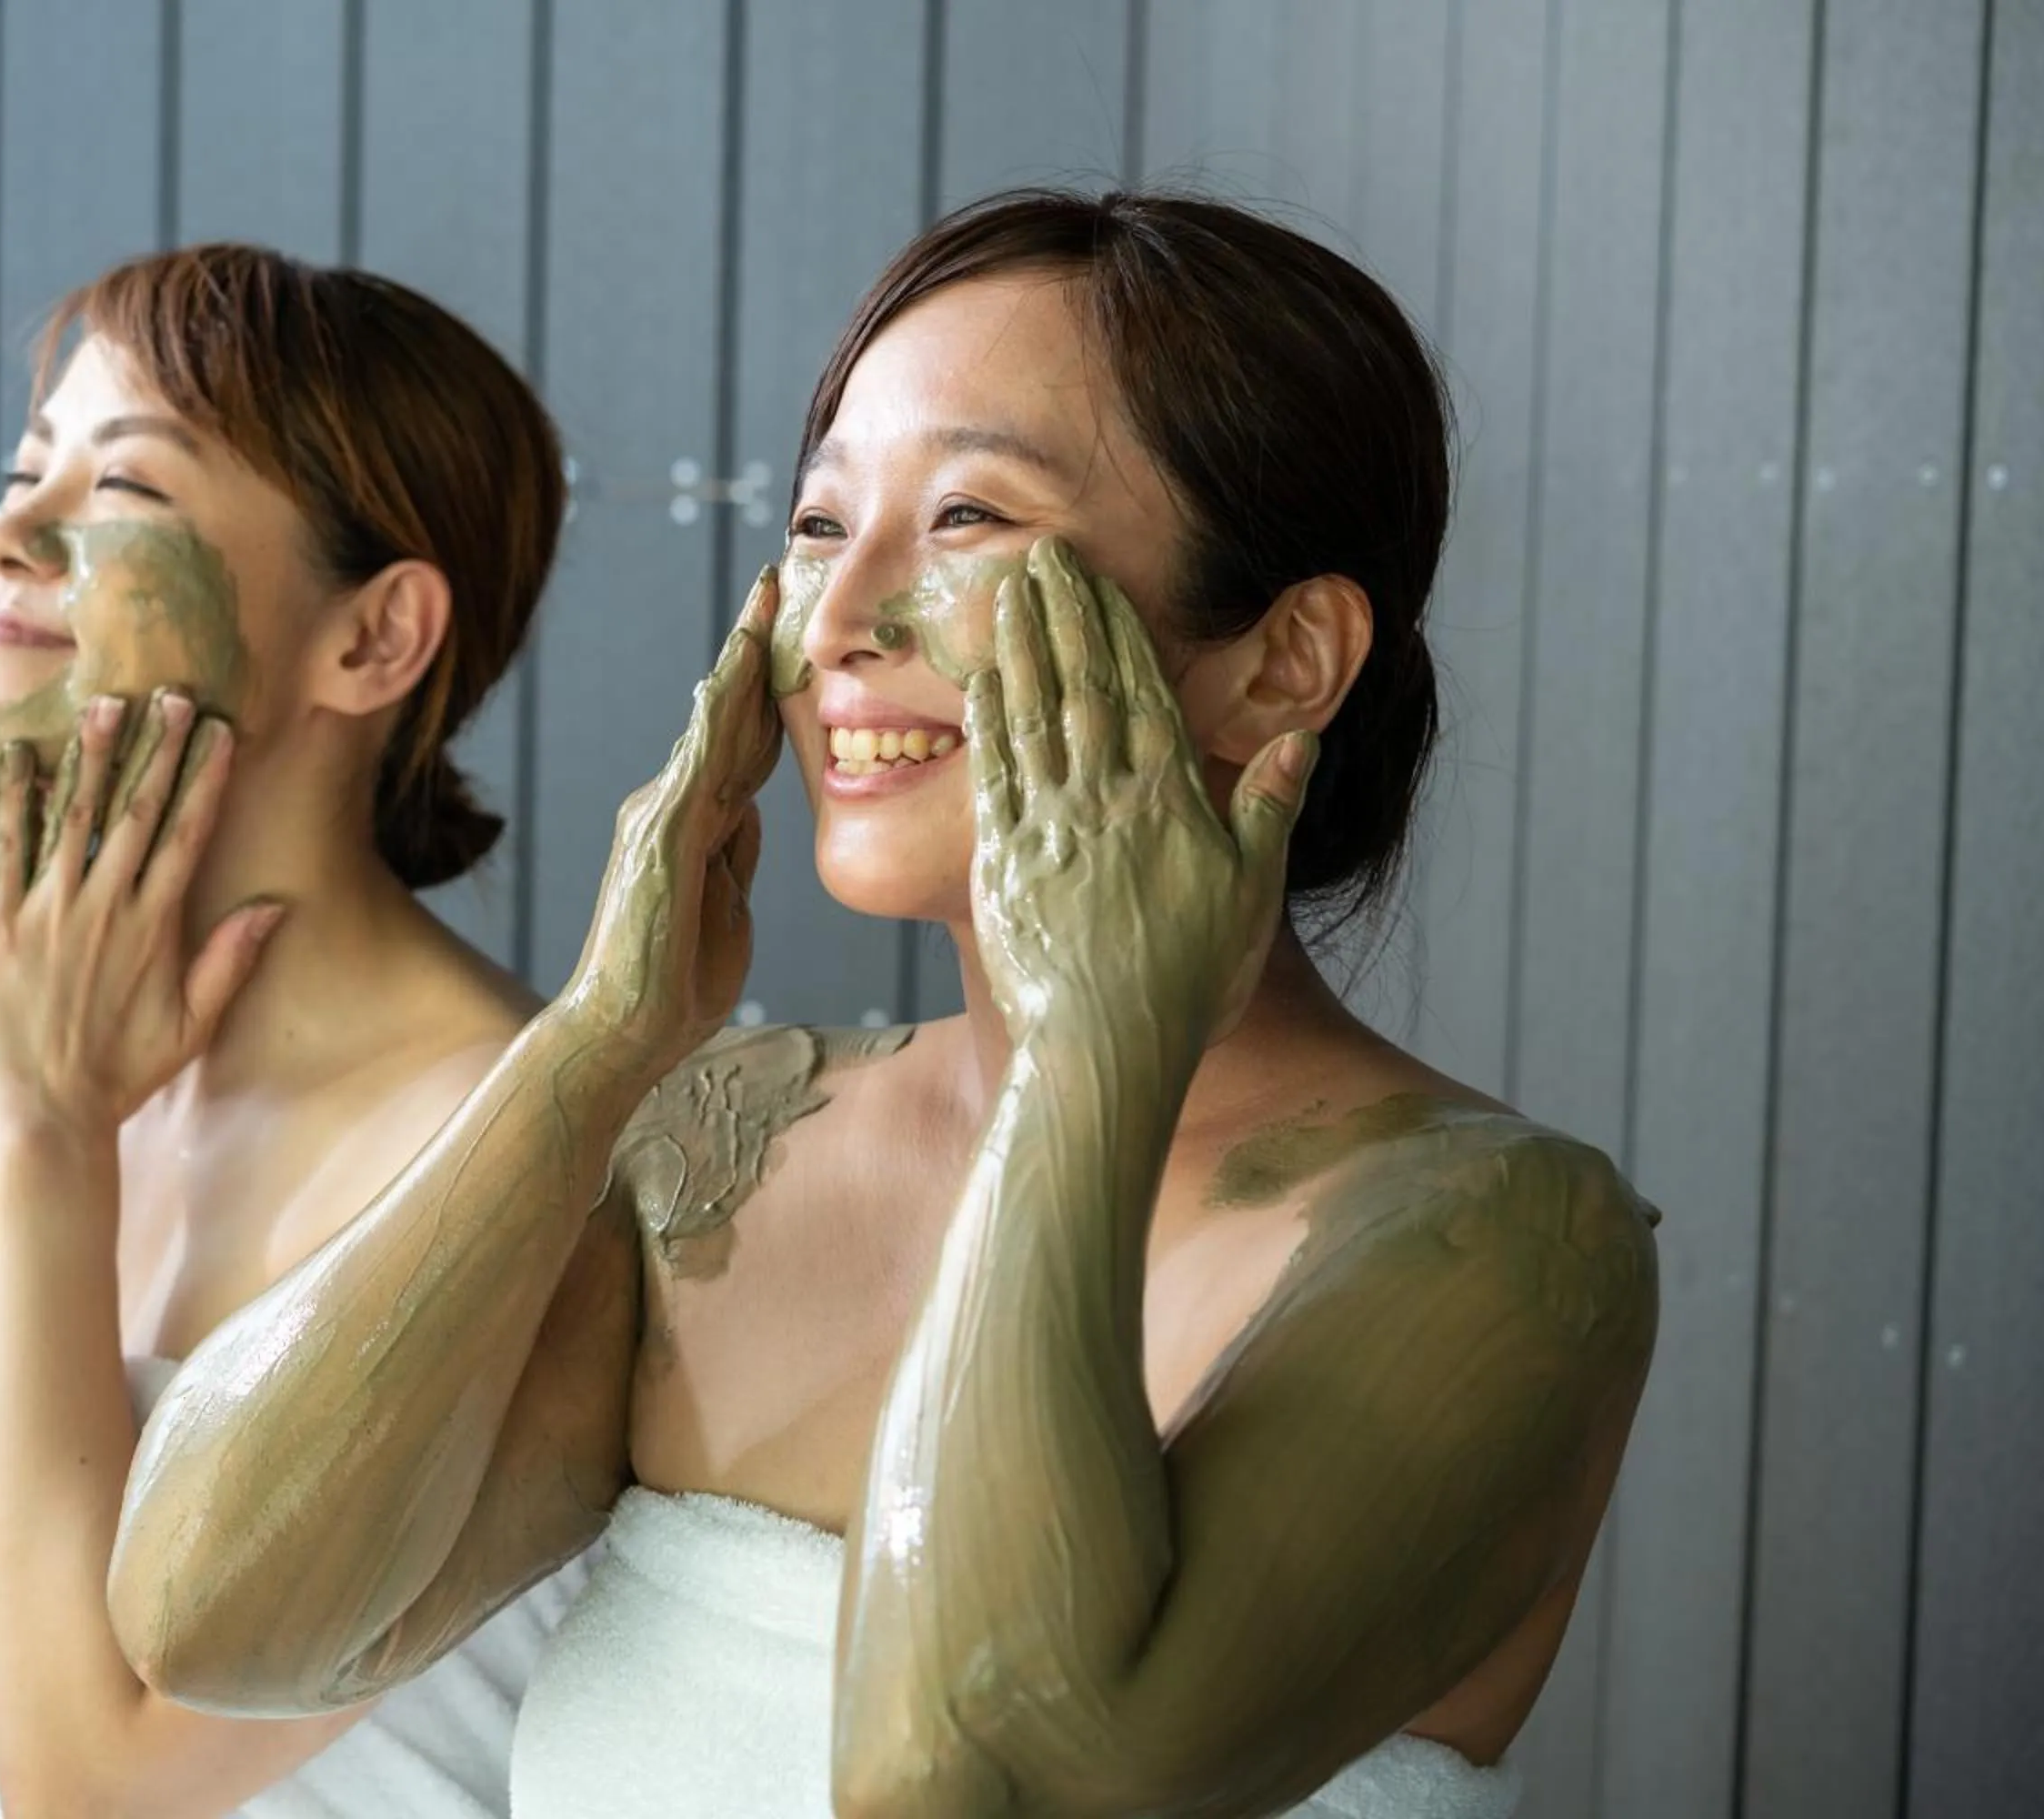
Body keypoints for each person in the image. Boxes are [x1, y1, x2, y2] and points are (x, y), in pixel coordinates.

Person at [104, 189, 1661, 1818]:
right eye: (822, 524)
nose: (838, 624)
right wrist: (590, 1050)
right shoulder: (730, 1153)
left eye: (968, 517)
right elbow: (212, 1615)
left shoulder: (1507, 1248)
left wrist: (1089, 1062)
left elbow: (966, 1766)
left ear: (1284, 661)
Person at [0, 242, 583, 1818]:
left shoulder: (505, 1144)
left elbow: (91, 1786)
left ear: (373, 638)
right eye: (28, 473)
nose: (5, 537)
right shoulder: (46, 1057)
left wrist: (48, 1143)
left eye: (126, 489)